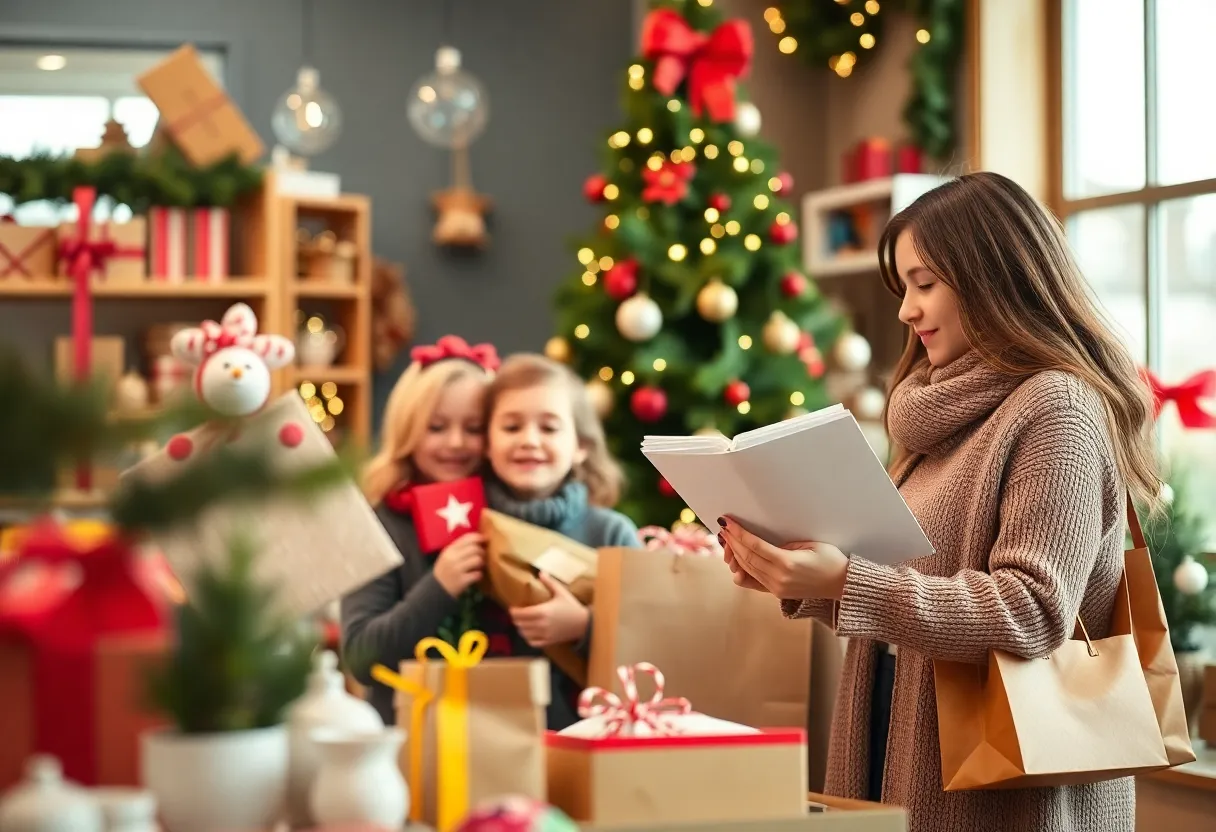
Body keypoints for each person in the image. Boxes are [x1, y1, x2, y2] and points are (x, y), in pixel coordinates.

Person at [719, 172, 1159, 832]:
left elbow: (1033, 611)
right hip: (895, 744)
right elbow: (912, 575)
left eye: (925, 283)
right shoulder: (936, 414)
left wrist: (846, 578)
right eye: (905, 287)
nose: (905, 310)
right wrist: (799, 574)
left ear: (992, 276)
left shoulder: (1057, 409)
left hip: (1005, 795)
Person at [341, 335, 500, 725]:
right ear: (407, 429)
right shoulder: (378, 521)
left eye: (474, 428)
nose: (456, 443)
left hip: (504, 728)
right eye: (436, 427)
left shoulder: (509, 514)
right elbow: (361, 657)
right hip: (408, 734)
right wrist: (438, 588)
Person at [480, 353, 642, 728]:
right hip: (485, 736)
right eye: (511, 427)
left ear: (581, 446)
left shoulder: (611, 533)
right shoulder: (468, 530)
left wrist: (584, 626)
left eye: (549, 428)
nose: (529, 441)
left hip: (591, 736)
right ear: (486, 442)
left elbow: (648, 637)